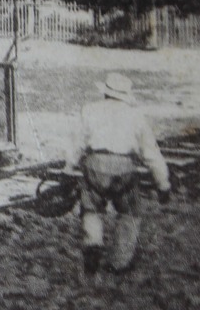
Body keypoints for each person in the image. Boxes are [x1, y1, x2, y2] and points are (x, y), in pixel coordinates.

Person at [64, 72, 172, 277]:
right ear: (126, 96)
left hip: (95, 163)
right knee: (130, 212)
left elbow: (76, 141)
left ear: (105, 93)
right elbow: (150, 152)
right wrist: (163, 183)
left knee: (91, 208)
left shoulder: (90, 110)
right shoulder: (136, 116)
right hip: (124, 167)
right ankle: (120, 262)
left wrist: (68, 166)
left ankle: (93, 242)